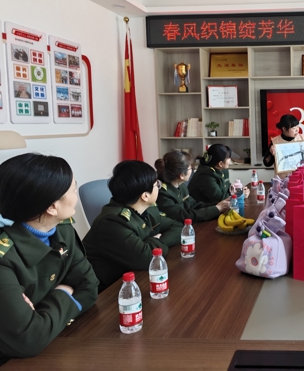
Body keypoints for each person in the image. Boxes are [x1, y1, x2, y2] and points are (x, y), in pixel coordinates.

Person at [0, 153, 98, 364]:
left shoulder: (63, 230)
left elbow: (90, 288)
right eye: (73, 189)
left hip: (57, 344)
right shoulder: (4, 257)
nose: (76, 194)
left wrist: (40, 315)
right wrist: (63, 292)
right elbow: (29, 339)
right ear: (52, 207)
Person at [83, 160, 183, 292]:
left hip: (133, 278)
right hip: (108, 291)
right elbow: (147, 258)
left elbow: (178, 227)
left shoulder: (146, 210)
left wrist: (154, 243)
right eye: (156, 184)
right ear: (145, 196)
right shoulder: (112, 222)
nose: (159, 187)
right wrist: (154, 241)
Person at [155, 150, 230, 222]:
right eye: (191, 168)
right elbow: (185, 216)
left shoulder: (181, 185)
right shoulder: (162, 193)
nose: (192, 170)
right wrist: (217, 209)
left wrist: (220, 205)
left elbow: (193, 205)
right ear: (181, 175)